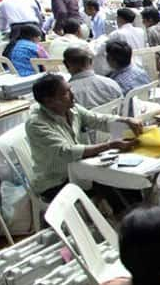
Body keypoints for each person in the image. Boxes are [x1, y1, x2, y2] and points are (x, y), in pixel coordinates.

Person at [24, 73, 142, 202]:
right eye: (65, 93)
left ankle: (133, 213)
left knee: (125, 174)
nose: (72, 95)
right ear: (49, 101)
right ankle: (126, 214)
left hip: (82, 168)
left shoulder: (72, 109)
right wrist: (110, 145)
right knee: (113, 182)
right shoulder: (37, 124)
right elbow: (67, 152)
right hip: (56, 181)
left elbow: (99, 120)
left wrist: (126, 120)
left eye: (70, 89)